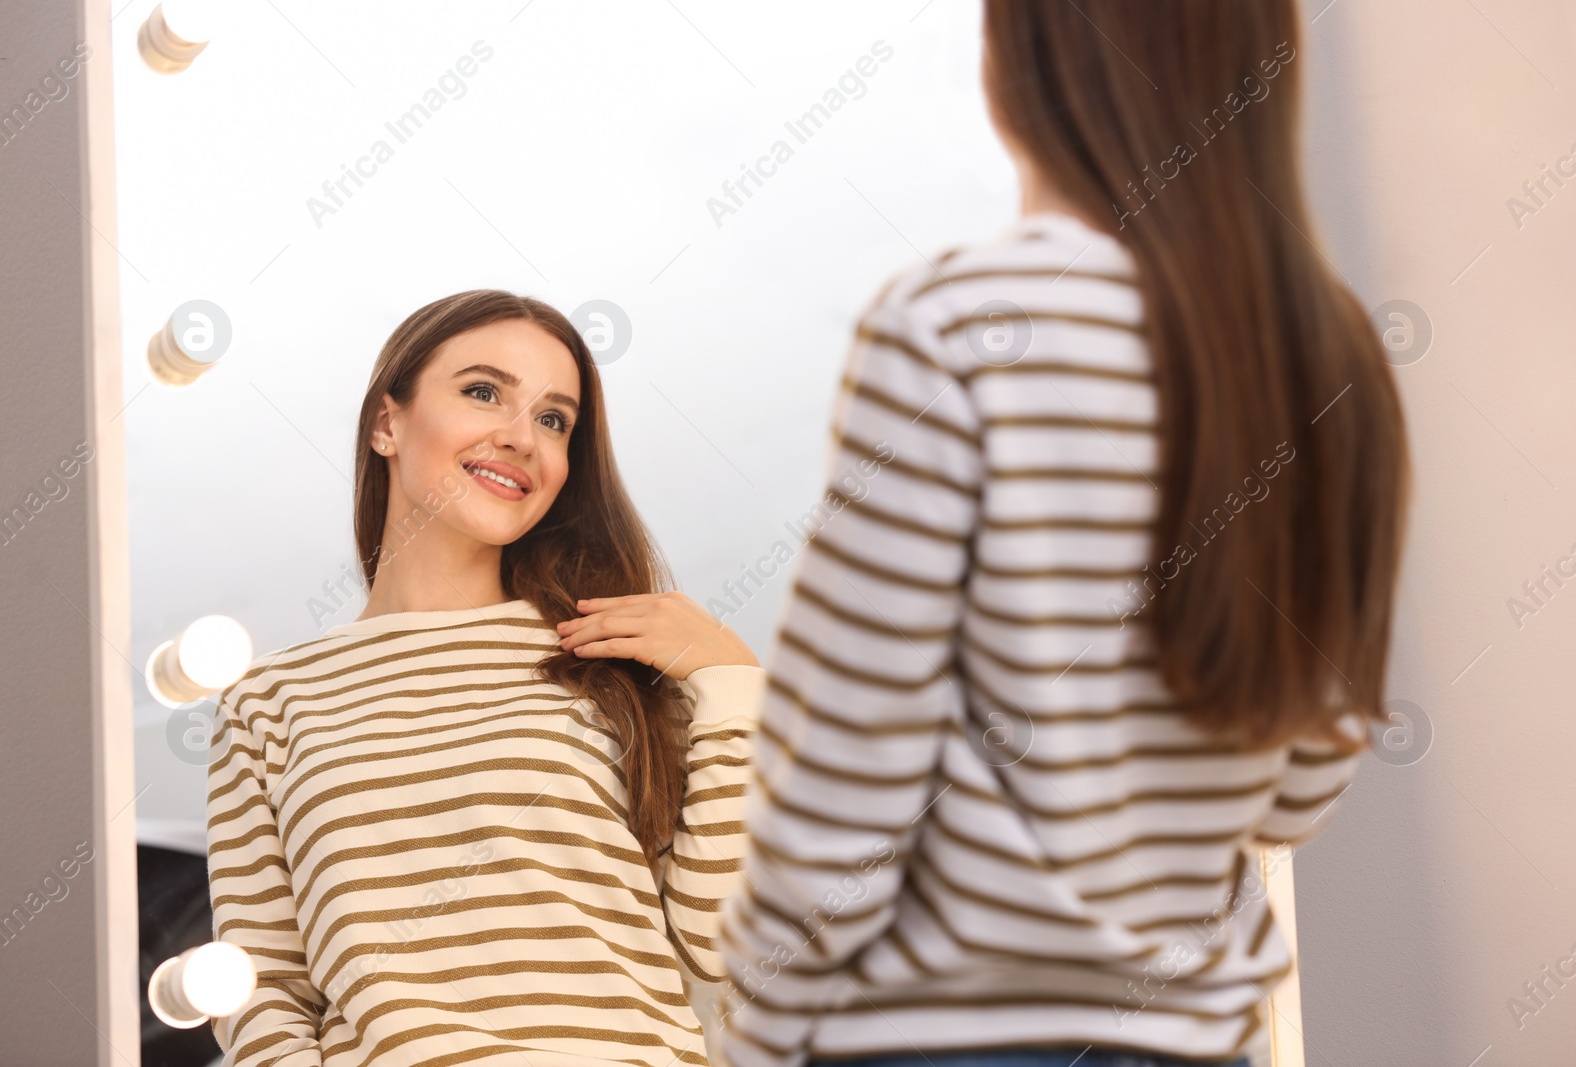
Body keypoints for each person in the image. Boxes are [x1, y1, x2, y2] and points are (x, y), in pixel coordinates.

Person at [710, 2, 1409, 1066]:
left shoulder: (952, 326)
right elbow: (1302, 781)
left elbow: (848, 767)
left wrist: (762, 1026)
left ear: (1019, 64)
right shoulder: (1330, 357)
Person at [205, 290, 766, 1066]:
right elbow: (262, 988)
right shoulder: (270, 700)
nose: (520, 437)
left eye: (553, 419)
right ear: (386, 422)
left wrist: (731, 679)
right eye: (482, 392)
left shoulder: (613, 661)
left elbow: (732, 944)